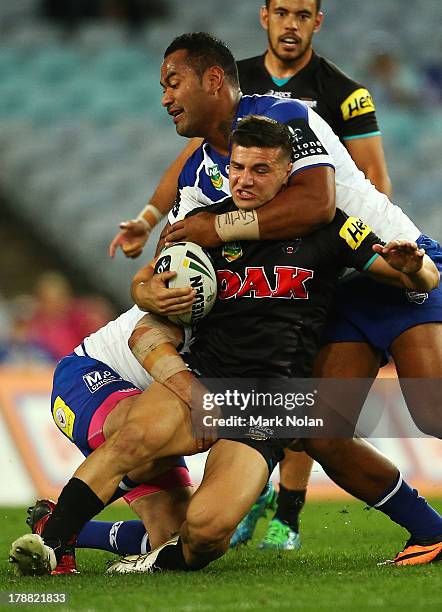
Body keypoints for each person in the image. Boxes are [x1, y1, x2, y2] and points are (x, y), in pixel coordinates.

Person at [10, 116, 441, 576]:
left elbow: (417, 276)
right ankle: (52, 541)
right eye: (237, 167)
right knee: (131, 440)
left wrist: (414, 268)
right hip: (207, 378)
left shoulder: (330, 226)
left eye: (260, 170)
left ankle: (150, 561)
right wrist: (147, 295)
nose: (244, 180)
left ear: (286, 173)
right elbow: (147, 321)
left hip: (270, 404)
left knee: (207, 533)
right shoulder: (202, 228)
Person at [133, 32, 442, 565]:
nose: (165, 97)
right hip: (332, 297)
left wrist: (219, 226)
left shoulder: (282, 117)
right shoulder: (196, 173)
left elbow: (318, 206)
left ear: (213, 81)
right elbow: (177, 250)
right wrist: (151, 285)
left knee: (434, 410)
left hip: (390, 264)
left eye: (173, 82)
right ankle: (431, 532)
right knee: (320, 434)